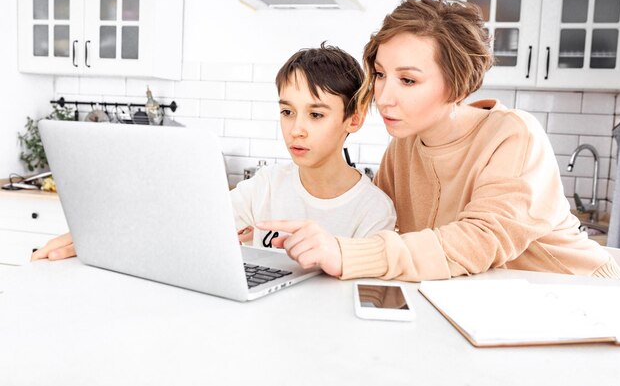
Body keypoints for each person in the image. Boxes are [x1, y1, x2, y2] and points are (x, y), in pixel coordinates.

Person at [257, 0, 620, 281]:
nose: (383, 96)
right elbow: (379, 228)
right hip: (493, 304)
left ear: (457, 85)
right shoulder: (402, 148)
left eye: (408, 80)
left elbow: (478, 241)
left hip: (578, 294)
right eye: (381, 73)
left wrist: (345, 254)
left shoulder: (513, 136)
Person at [31, 44, 397, 261]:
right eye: (287, 111)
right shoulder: (266, 186)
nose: (296, 128)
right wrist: (101, 236)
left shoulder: (373, 211)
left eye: (316, 114)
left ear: (353, 119)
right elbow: (186, 225)